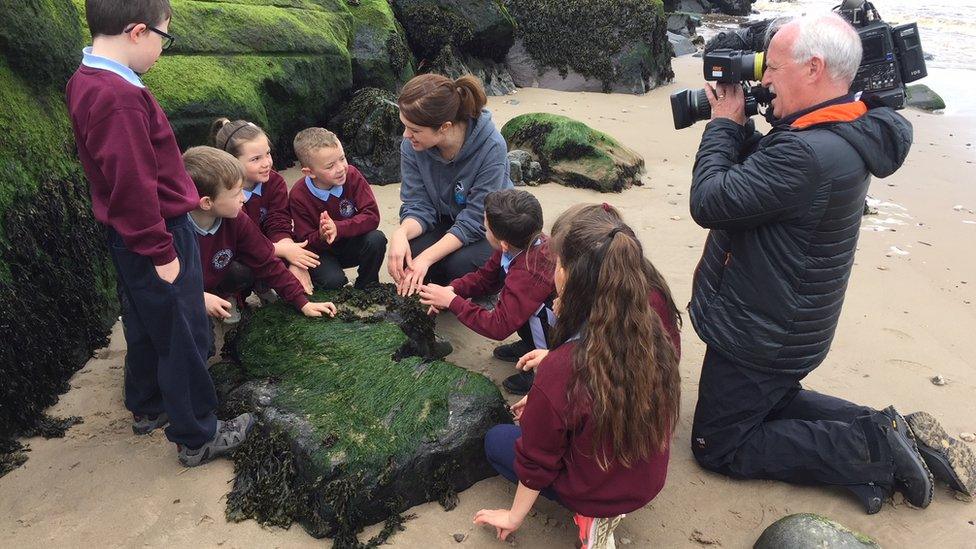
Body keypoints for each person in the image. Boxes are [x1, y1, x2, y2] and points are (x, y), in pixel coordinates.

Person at [689, 12, 975, 512]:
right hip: (786, 323)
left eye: (773, 68)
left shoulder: (807, 152)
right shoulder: (843, 125)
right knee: (771, 402)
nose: (764, 78)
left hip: (765, 334)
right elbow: (763, 181)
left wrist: (721, 128)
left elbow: (710, 200)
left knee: (718, 446)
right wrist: (746, 124)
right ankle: (893, 427)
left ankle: (873, 450)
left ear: (814, 68)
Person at [64, 0, 253, 467]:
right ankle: (198, 435)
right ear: (137, 31)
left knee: (146, 321)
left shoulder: (85, 78)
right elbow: (132, 184)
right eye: (164, 38)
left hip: (127, 235)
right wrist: (161, 249)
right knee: (182, 329)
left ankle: (149, 406)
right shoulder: (120, 97)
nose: (162, 50)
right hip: (156, 232)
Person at [473, 212, 681, 549]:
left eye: (557, 263)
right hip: (647, 477)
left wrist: (513, 517)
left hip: (597, 490)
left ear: (569, 276)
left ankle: (591, 517)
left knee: (497, 441)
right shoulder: (653, 330)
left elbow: (537, 460)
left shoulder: (564, 368)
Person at [507, 203, 682, 395]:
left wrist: (560, 364)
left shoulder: (638, 303)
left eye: (559, 261)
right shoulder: (622, 281)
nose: (555, 268)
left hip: (632, 395)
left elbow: (620, 365)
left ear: (582, 267)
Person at [418, 189, 556, 396]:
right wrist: (452, 290)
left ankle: (543, 371)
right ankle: (529, 344)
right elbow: (485, 278)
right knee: (522, 307)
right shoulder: (518, 244)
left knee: (537, 314)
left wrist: (454, 302)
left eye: (486, 227)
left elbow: (498, 327)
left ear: (503, 243)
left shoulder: (530, 272)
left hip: (559, 327)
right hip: (534, 306)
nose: (484, 228)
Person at [182, 146, 338, 327]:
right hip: (180, 294)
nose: (244, 198)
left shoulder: (237, 219)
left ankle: (222, 297)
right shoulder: (174, 232)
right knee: (203, 344)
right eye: (236, 193)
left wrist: (302, 302)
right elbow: (157, 283)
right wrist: (196, 298)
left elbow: (266, 259)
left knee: (243, 270)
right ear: (207, 202)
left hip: (211, 281)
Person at [389, 73, 513, 297]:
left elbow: (476, 219)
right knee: (412, 250)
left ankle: (482, 292)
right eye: (405, 126)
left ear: (444, 127)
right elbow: (418, 204)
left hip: (489, 227)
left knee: (460, 265)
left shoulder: (492, 146)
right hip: (444, 217)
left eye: (415, 130)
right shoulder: (412, 146)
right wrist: (401, 233)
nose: (406, 135)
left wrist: (427, 259)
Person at [210, 118, 319, 306]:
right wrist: (282, 249)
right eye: (255, 159)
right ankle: (230, 297)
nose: (266, 163)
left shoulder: (274, 182)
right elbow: (237, 243)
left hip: (267, 246)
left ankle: (264, 287)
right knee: (237, 271)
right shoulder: (225, 196)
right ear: (232, 161)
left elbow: (278, 221)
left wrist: (290, 252)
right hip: (236, 254)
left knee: (296, 249)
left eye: (267, 154)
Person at [289, 127, 387, 290]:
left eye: (342, 158)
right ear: (309, 172)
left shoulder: (352, 176)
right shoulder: (299, 195)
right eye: (330, 166)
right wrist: (321, 235)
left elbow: (372, 216)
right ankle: (334, 280)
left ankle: (367, 284)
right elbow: (304, 241)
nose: (341, 168)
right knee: (334, 282)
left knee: (376, 239)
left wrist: (338, 228)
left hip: (351, 243)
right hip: (322, 252)